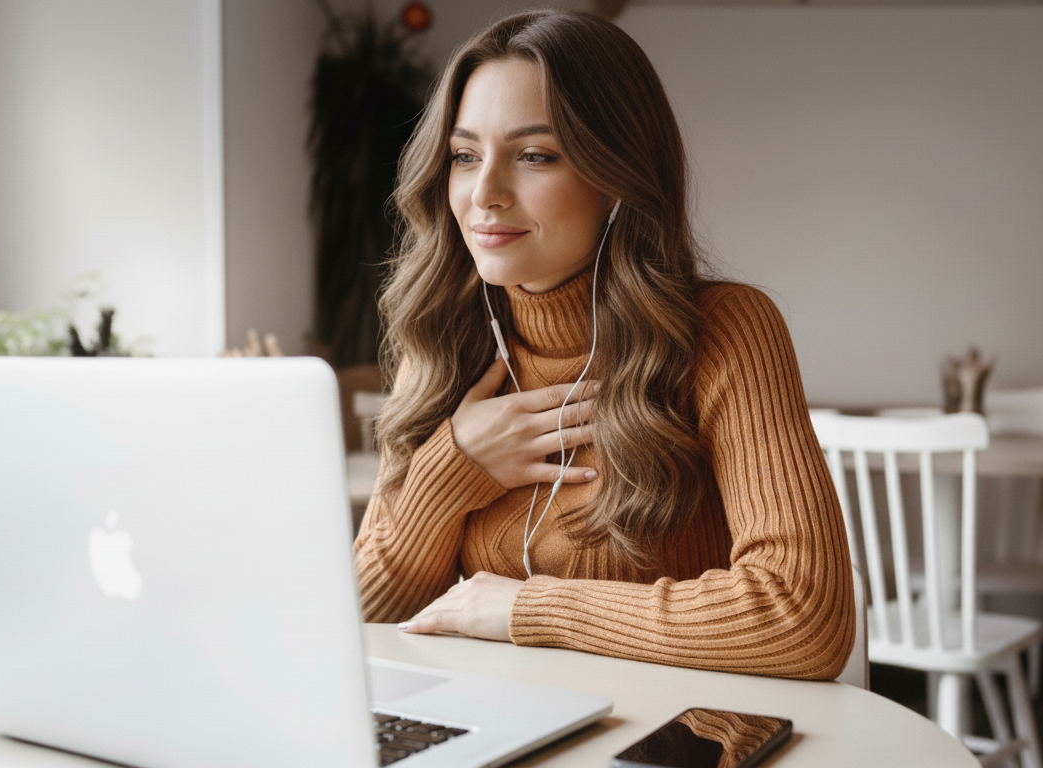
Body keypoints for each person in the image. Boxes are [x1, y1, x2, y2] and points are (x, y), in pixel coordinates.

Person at [354, 9, 854, 680]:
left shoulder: (725, 332)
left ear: (615, 173)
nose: (484, 194)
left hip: (671, 737)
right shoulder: (445, 340)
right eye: (465, 156)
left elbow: (801, 616)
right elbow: (359, 617)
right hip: (495, 728)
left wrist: (530, 610)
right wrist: (453, 471)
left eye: (534, 155)